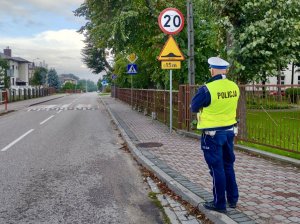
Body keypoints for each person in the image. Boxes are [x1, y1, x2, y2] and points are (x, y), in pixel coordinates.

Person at [191, 57, 240, 213]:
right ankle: (232, 199)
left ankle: (219, 204)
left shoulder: (207, 89)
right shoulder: (234, 87)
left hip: (212, 134)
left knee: (216, 168)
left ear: (212, 70)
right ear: (225, 70)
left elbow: (193, 106)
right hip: (229, 132)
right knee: (228, 165)